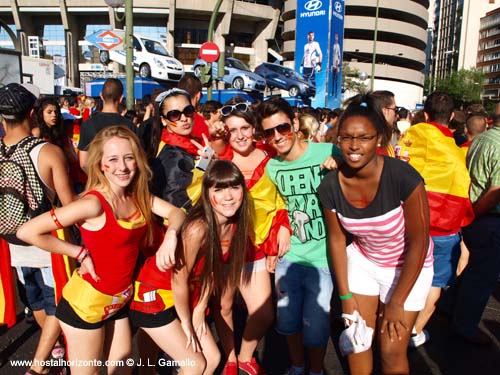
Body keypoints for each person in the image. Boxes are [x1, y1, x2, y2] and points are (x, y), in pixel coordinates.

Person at [17, 125, 185, 375]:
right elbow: (27, 231)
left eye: (129, 158)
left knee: (123, 370)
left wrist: (171, 234)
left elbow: (176, 212)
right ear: (100, 165)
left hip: (118, 301)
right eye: (113, 159)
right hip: (86, 305)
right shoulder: (92, 204)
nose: (123, 167)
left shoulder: (136, 195)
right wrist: (78, 253)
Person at [317, 97, 434, 375]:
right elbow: (336, 240)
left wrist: (396, 302)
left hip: (408, 266)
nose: (354, 146)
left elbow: (419, 242)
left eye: (364, 138)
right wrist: (344, 295)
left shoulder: (404, 177)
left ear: (378, 138)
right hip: (365, 262)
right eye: (346, 138)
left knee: (392, 351)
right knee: (358, 341)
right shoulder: (330, 185)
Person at [257, 98, 341, 375]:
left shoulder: (329, 151)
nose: (277, 137)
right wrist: (275, 238)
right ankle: (297, 365)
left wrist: (340, 168)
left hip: (324, 260)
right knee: (288, 322)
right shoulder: (272, 167)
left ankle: (316, 370)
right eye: (269, 132)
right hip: (289, 258)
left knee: (316, 329)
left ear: (294, 123)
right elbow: (270, 205)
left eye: (282, 128)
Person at [0, 83, 75, 375]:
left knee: (35, 301)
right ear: (32, 113)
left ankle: (50, 352)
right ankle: (39, 365)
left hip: (13, 245)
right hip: (48, 245)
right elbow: (68, 206)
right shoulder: (48, 152)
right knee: (57, 302)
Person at [215, 99, 291, 375]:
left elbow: (284, 200)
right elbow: (196, 197)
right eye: (232, 130)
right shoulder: (218, 161)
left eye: (244, 127)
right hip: (222, 248)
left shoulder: (273, 159)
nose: (239, 135)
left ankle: (246, 356)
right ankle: (231, 359)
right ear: (225, 132)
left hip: (255, 250)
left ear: (254, 128)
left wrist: (282, 228)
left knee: (264, 313)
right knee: (223, 307)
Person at [396, 91, 474, 347]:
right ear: (451, 116)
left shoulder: (408, 138)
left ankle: (395, 323)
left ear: (425, 114)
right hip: (444, 229)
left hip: (409, 222)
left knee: (403, 272)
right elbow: (464, 191)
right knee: (436, 281)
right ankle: (415, 332)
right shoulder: (458, 151)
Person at [172, 160, 252, 374]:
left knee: (210, 359)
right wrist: (187, 321)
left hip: (193, 295)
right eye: (219, 189)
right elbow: (178, 278)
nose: (228, 196)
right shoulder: (198, 229)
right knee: (201, 362)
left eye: (235, 187)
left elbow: (212, 272)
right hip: (165, 296)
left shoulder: (233, 224)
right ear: (207, 193)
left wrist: (200, 309)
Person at [444, 111, 500, 345]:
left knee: (475, 268)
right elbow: (496, 191)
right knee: (482, 276)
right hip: (486, 216)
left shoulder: (481, 139)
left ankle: (449, 307)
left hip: (473, 212)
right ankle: (464, 327)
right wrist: (475, 215)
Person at [78, 78, 136, 171]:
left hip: (97, 181)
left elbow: (84, 163)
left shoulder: (88, 124)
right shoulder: (129, 126)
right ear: (121, 98)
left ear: (101, 96)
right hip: (121, 179)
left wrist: (97, 178)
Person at [34, 97, 87, 193]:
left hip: (70, 180)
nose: (54, 115)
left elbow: (73, 158)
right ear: (41, 114)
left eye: (56, 112)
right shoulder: (37, 134)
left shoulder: (61, 135)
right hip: (48, 185)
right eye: (49, 112)